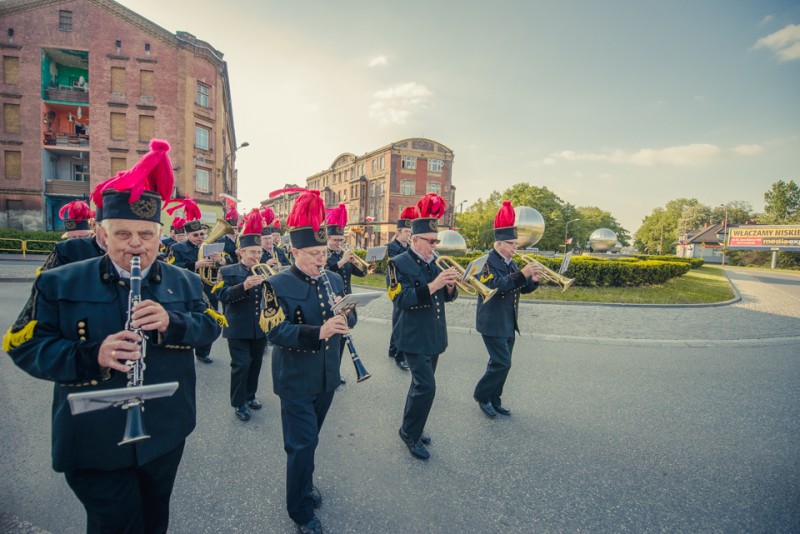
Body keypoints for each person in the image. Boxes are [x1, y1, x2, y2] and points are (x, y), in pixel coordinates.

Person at [3, 139, 222, 534]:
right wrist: (93, 355)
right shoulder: (58, 282)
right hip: (93, 438)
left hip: (164, 431)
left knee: (154, 518)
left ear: (159, 236)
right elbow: (23, 345)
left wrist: (172, 323)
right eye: (123, 234)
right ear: (102, 236)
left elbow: (211, 326)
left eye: (146, 234)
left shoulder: (185, 281)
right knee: (116, 525)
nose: (136, 244)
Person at [260, 190, 356, 534]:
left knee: (311, 438)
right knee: (301, 445)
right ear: (295, 252)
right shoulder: (275, 283)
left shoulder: (333, 278)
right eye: (315, 254)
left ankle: (304, 483)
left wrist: (349, 314)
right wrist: (320, 331)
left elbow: (349, 317)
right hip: (296, 378)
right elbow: (274, 331)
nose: (321, 259)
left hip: (326, 375)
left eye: (324, 252)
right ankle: (300, 511)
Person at [387, 193, 459, 460]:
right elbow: (401, 299)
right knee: (426, 386)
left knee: (420, 386)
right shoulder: (397, 264)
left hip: (434, 334)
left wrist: (449, 287)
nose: (434, 245)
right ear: (415, 239)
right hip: (412, 335)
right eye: (430, 241)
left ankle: (413, 427)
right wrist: (434, 285)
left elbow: (446, 298)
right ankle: (409, 433)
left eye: (436, 241)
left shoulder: (435, 262)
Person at [473, 201, 541, 418]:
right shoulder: (486, 262)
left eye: (516, 244)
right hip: (492, 321)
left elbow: (521, 287)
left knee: (502, 364)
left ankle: (495, 399)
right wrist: (522, 274)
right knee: (502, 363)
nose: (515, 248)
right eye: (511, 244)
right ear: (500, 244)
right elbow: (495, 286)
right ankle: (482, 396)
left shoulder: (510, 261)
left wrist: (533, 280)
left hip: (508, 321)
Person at [216, 209, 269, 422]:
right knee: (241, 365)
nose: (257, 256)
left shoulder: (264, 270)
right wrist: (243, 286)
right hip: (237, 327)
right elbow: (222, 295)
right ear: (240, 252)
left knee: (255, 364)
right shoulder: (227, 271)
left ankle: (250, 395)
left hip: (260, 326)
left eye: (259, 252)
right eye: (252, 252)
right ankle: (239, 403)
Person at [167, 199, 224, 364]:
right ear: (187, 235)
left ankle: (203, 352)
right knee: (187, 319)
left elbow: (223, 267)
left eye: (201, 234)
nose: (200, 237)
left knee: (210, 318)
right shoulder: (177, 248)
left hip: (208, 288)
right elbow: (172, 268)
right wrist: (195, 265)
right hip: (187, 289)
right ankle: (183, 350)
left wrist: (220, 261)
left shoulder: (211, 246)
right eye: (195, 235)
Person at [386, 206, 418, 371]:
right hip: (396, 286)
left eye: (410, 232)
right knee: (400, 321)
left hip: (407, 285)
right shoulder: (392, 246)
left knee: (400, 320)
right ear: (398, 232)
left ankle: (392, 349)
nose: (409, 235)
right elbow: (396, 263)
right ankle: (400, 356)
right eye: (406, 232)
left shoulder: (409, 247)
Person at [40, 200, 107, 273]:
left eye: (82, 237)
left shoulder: (102, 250)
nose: (77, 241)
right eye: (73, 238)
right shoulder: (62, 252)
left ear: (91, 234)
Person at [324, 203, 366, 296]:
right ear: (328, 238)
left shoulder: (344, 254)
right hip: (333, 297)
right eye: (335, 240)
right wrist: (342, 261)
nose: (339, 243)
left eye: (341, 240)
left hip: (347, 296)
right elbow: (325, 274)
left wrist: (363, 264)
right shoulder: (323, 254)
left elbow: (361, 274)